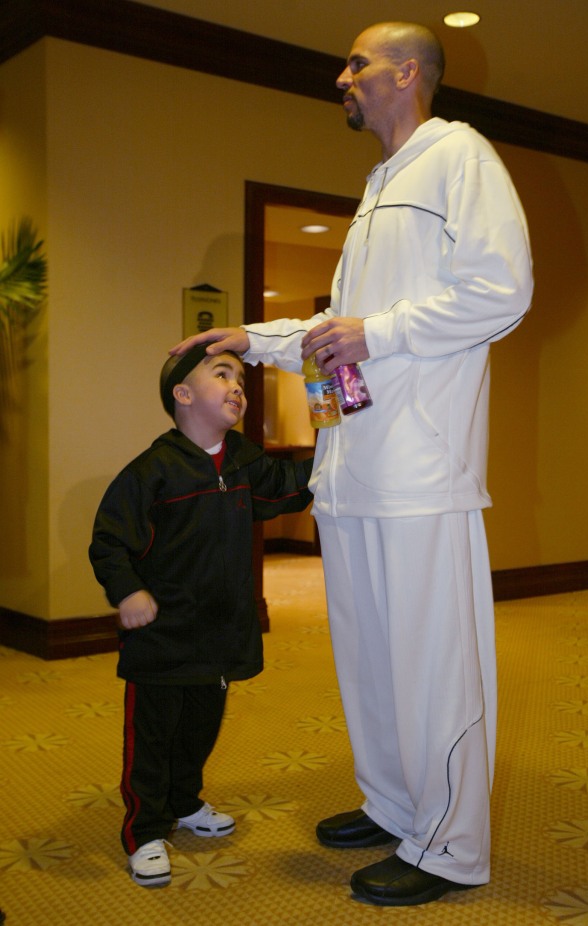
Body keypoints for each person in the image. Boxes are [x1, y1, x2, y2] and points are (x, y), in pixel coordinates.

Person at [170, 21, 533, 907]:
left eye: (359, 63)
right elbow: (342, 335)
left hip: (419, 475)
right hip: (354, 475)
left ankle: (449, 847)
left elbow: (502, 290)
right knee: (371, 664)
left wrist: (378, 331)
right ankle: (397, 805)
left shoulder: (461, 157)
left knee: (430, 666)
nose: (343, 76)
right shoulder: (380, 185)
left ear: (408, 71)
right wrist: (252, 341)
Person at [89, 346, 313, 888]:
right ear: (183, 396)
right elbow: (109, 542)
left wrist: (338, 441)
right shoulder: (153, 471)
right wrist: (128, 593)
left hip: (221, 629)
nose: (237, 385)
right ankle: (145, 831)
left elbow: (285, 487)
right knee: (154, 737)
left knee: (199, 728)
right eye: (222, 374)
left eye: (240, 376)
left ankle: (186, 802)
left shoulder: (240, 459)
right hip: (164, 636)